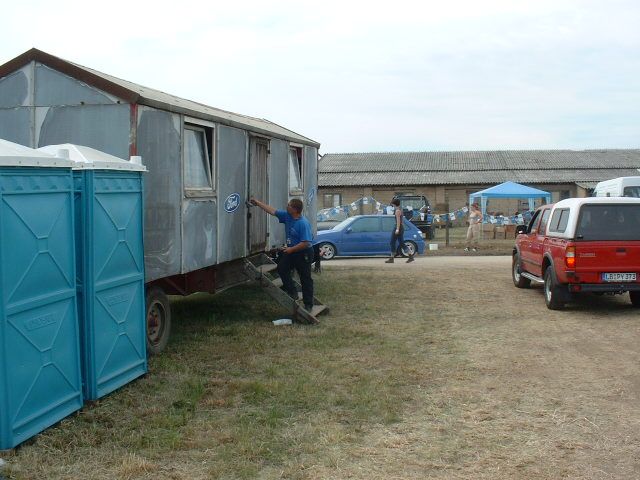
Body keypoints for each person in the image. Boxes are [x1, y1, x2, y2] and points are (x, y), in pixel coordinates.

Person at [250, 197, 315, 311]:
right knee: (282, 268)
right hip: (291, 251)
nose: (287, 206)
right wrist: (258, 203)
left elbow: (306, 243)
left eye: (289, 205)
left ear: (294, 209)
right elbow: (272, 211)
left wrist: (291, 249)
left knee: (305, 278)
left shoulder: (302, 223)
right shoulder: (287, 216)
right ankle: (292, 291)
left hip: (303, 252)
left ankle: (308, 304)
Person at [385, 198, 414, 263]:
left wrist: (397, 229)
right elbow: (401, 220)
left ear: (394, 204)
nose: (392, 204)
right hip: (401, 227)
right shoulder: (400, 209)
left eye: (392, 203)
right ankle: (410, 256)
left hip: (398, 227)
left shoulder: (397, 211)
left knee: (392, 242)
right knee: (401, 243)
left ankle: (392, 258)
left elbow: (398, 221)